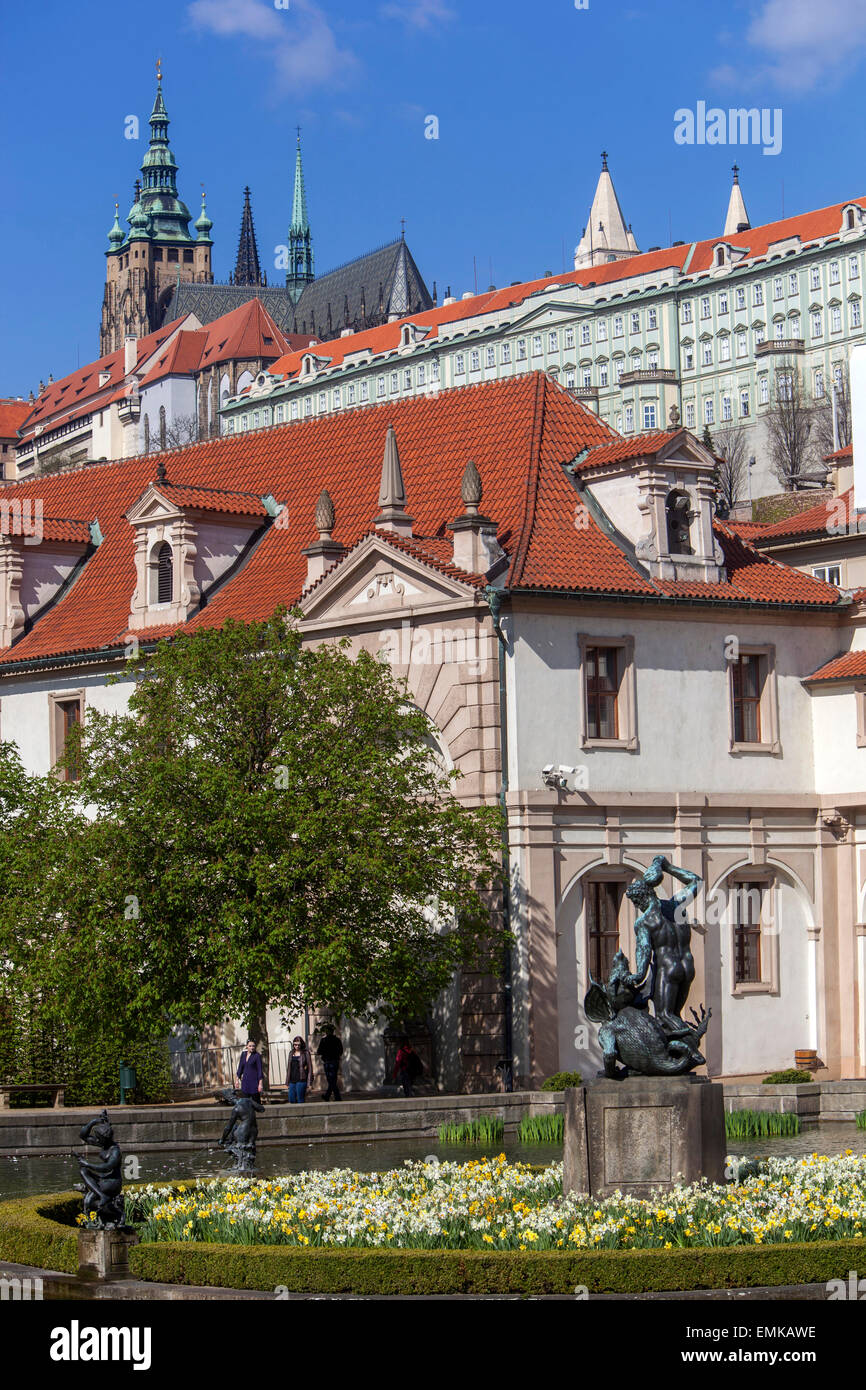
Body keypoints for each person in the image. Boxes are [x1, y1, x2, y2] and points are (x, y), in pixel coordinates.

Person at [625, 854, 701, 1033]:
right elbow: (696, 881)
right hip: (688, 967)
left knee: (664, 1015)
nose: (637, 906)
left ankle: (690, 1040)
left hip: (669, 968)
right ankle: (680, 1050)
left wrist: (637, 976)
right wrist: (666, 866)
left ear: (641, 898)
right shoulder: (676, 906)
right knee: (675, 1015)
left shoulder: (644, 922)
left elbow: (643, 952)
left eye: (636, 902)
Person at [316, 1023, 343, 1101]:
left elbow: (319, 1051)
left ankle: (336, 1097)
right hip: (335, 1061)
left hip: (328, 1062)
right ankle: (328, 1096)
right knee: (332, 1080)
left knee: (331, 1080)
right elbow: (341, 1051)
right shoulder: (337, 1040)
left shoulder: (324, 1040)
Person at [286, 1036, 313, 1103]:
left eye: (298, 1045)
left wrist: (309, 1082)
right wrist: (287, 1081)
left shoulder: (305, 1053)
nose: (297, 1046)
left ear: (301, 1044)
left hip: (301, 1079)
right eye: (295, 1044)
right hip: (292, 1079)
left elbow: (310, 1068)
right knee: (291, 1098)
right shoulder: (291, 1053)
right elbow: (289, 1067)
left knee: (300, 1098)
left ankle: (302, 1112)